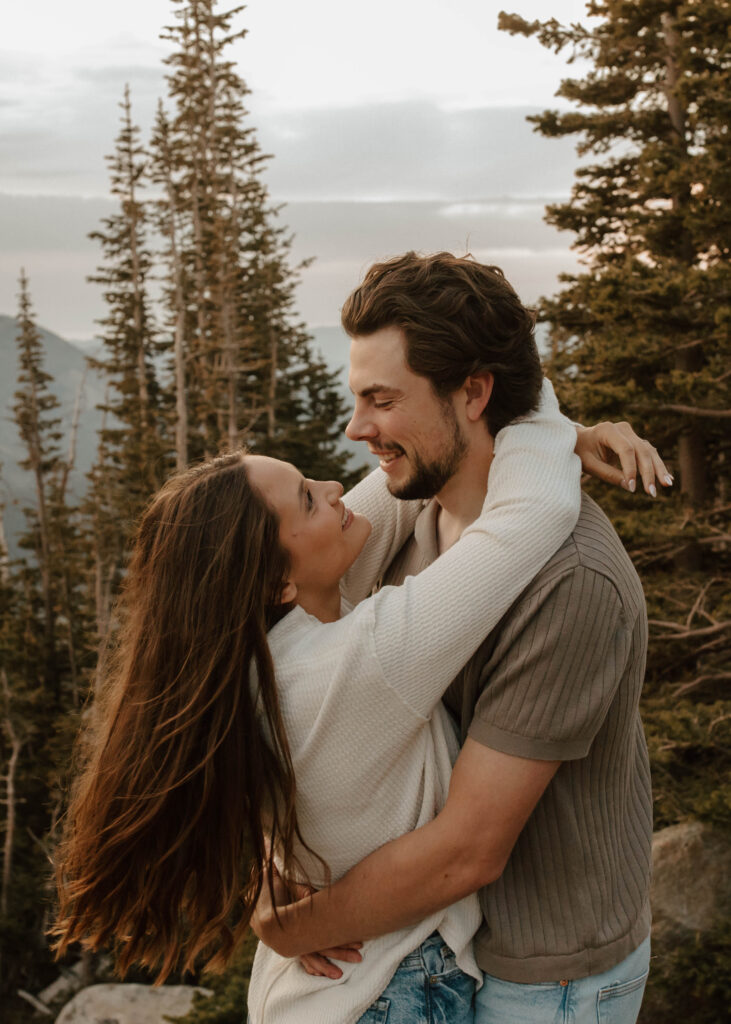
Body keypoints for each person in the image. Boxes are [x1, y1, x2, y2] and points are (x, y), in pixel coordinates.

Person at [53, 374, 586, 1023]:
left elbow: (397, 486)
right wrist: (524, 396)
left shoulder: (251, 657)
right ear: (276, 577)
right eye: (308, 499)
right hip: (387, 991)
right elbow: (535, 515)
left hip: (317, 995)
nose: (335, 488)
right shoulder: (358, 660)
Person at [252, 252, 665, 1024]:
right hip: (439, 946)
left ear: (473, 392)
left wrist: (288, 924)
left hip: (541, 970)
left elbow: (469, 848)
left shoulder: (570, 581)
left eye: (381, 399)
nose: (356, 428)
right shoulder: (406, 516)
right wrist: (273, 870)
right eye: (356, 397)